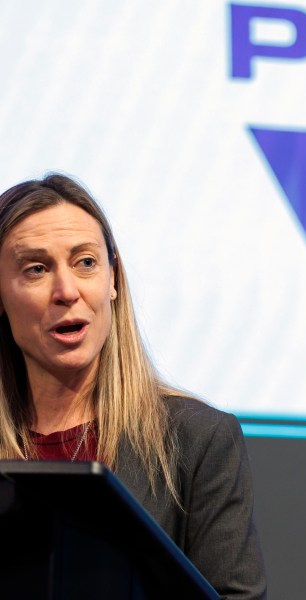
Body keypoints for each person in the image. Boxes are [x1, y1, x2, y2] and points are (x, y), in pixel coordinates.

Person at [0, 173, 267, 599]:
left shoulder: (198, 440)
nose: (67, 290)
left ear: (113, 279)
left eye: (85, 262)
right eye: (36, 269)